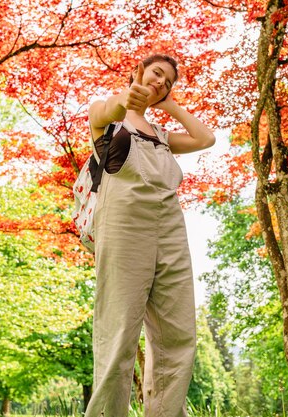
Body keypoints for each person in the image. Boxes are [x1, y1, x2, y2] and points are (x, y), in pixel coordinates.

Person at [84, 54, 215, 417]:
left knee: (178, 331)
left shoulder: (161, 135)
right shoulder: (108, 114)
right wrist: (127, 98)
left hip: (169, 224)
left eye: (169, 81)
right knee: (120, 328)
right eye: (157, 73)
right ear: (137, 70)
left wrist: (167, 103)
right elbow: (105, 110)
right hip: (125, 221)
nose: (161, 82)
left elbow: (206, 138)